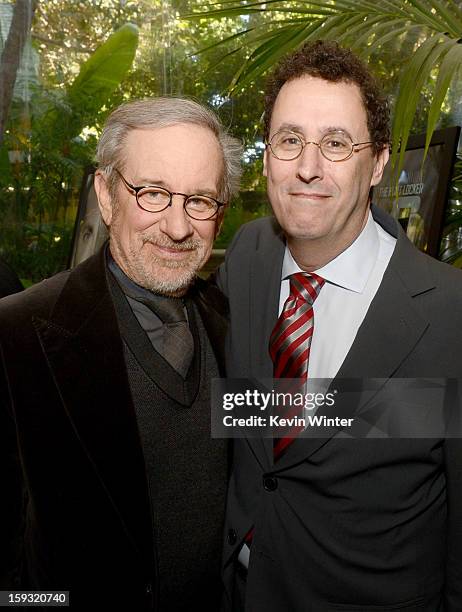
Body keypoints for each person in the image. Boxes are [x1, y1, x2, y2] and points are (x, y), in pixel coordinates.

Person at [217, 40, 462, 611]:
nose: (308, 167)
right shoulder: (248, 256)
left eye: (335, 143)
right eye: (290, 140)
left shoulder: (447, 314)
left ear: (377, 162)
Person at [0, 97, 242, 611]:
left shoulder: (230, 323)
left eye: (200, 200)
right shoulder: (17, 336)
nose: (178, 228)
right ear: (107, 197)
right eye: (153, 194)